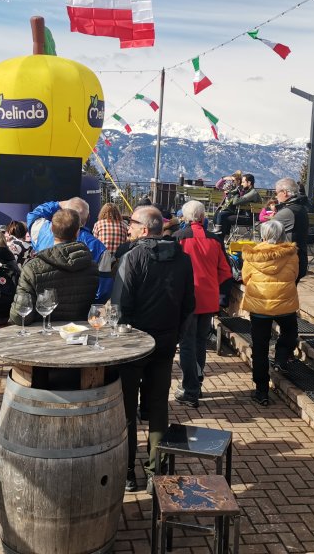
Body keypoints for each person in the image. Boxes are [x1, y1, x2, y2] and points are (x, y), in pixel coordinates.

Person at [113, 206, 195, 493]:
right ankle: (155, 471)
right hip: (164, 342)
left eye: (132, 223)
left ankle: (126, 473)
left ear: (145, 229)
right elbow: (189, 305)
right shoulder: (183, 260)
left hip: (133, 346)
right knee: (159, 407)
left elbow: (119, 306)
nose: (129, 228)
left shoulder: (132, 257)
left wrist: (123, 340)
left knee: (125, 410)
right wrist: (174, 336)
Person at [174, 200, 233, 408]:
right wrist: (210, 284)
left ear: (186, 217)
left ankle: (190, 389)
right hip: (208, 298)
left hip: (187, 299)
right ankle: (196, 384)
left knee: (187, 344)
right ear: (202, 217)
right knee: (200, 343)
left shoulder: (178, 238)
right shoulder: (215, 240)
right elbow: (225, 271)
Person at [241, 219, 301, 406]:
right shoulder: (291, 253)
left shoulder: (252, 255)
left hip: (260, 307)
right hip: (285, 304)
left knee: (260, 349)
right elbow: (294, 275)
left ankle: (261, 391)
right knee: (290, 332)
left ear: (264, 235)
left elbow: (245, 278)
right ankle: (281, 357)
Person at [9, 209, 97, 326]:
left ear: (51, 230)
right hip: (79, 334)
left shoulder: (32, 268)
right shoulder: (92, 267)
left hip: (39, 336)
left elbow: (20, 316)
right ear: (77, 232)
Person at [27, 197, 113, 303]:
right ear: (88, 217)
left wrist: (59, 204)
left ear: (61, 214)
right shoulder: (99, 249)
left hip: (45, 307)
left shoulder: (42, 230)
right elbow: (103, 290)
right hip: (81, 313)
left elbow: (35, 215)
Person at [271, 177, 311, 282]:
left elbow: (267, 230)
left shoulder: (288, 212)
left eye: (276, 193)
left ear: (284, 193)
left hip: (289, 262)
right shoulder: (300, 207)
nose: (276, 196)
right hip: (300, 258)